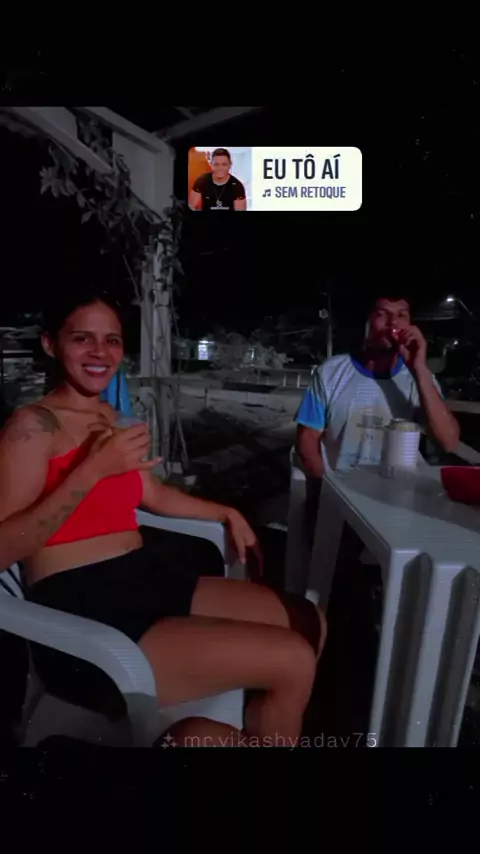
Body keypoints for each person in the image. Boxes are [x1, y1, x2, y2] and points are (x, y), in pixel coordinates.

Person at [0, 290, 326, 746]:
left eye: (112, 340)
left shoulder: (111, 418)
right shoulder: (32, 427)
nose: (100, 352)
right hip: (82, 608)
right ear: (50, 344)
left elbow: (150, 493)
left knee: (308, 621)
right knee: (292, 659)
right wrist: (92, 471)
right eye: (82, 338)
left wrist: (225, 511)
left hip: (145, 578)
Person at [295, 295, 460, 543]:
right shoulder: (331, 372)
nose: (393, 322)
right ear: (367, 323)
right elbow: (307, 442)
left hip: (401, 502)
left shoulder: (420, 380)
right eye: (383, 314)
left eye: (402, 315)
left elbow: (448, 442)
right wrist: (329, 489)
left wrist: (419, 369)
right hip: (340, 497)